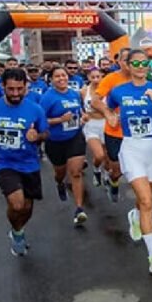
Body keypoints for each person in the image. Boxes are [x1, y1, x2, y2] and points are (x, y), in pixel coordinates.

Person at [105, 49, 152, 274]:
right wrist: (111, 117)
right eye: (135, 62)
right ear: (127, 65)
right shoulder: (118, 92)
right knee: (147, 202)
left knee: (147, 197)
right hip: (131, 148)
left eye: (144, 62)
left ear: (149, 65)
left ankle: (134, 216)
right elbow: (107, 106)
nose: (140, 66)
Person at [0, 68, 49, 256]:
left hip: (29, 163)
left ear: (26, 88)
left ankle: (17, 228)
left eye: (20, 89)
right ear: (3, 87)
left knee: (28, 208)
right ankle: (17, 233)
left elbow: (45, 133)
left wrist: (36, 136)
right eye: (11, 89)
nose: (15, 93)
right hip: (3, 162)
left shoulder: (35, 109)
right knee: (17, 204)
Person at [40, 67, 88, 225]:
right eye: (57, 76)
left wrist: (83, 117)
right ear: (51, 79)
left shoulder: (74, 94)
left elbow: (80, 111)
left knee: (76, 172)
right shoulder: (47, 97)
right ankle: (59, 183)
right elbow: (40, 121)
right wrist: (59, 120)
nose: (61, 78)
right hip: (55, 141)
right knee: (60, 172)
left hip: (74, 137)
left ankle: (79, 209)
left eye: (64, 75)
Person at [92, 47, 131, 202]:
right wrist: (108, 114)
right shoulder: (110, 79)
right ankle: (112, 180)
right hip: (115, 131)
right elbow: (95, 100)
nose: (128, 63)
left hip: (135, 132)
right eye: (125, 59)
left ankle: (144, 208)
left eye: (131, 60)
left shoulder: (142, 79)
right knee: (117, 169)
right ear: (119, 62)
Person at [80, 67, 106, 187]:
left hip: (106, 124)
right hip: (91, 125)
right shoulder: (84, 91)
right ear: (88, 77)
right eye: (93, 77)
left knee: (107, 155)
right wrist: (83, 114)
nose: (96, 80)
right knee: (99, 155)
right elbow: (79, 107)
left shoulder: (108, 90)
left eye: (98, 77)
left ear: (102, 77)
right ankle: (96, 170)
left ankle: (106, 174)